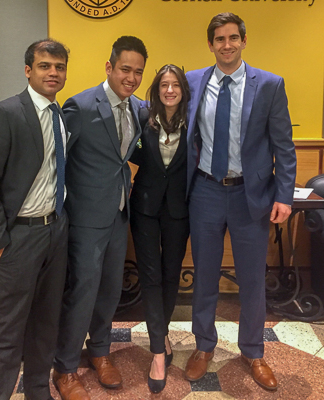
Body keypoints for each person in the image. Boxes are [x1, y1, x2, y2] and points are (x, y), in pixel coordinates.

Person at [184, 12, 296, 391]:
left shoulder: (268, 84)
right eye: (219, 39)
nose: (226, 45)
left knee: (251, 280)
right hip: (206, 191)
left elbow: (284, 144)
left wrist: (284, 195)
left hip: (252, 194)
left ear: (244, 41)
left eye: (233, 38)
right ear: (211, 43)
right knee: (204, 276)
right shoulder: (192, 81)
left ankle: (253, 350)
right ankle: (203, 346)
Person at [0, 39, 70, 400]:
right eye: (45, 66)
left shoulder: (62, 116)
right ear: (28, 70)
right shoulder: (6, 112)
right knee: (9, 332)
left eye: (59, 66)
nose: (53, 73)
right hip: (17, 239)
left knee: (46, 326)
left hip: (55, 232)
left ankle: (38, 392)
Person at [52, 36, 148, 400]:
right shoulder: (79, 105)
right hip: (85, 218)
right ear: (109, 67)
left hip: (119, 214)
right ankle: (64, 367)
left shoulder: (139, 108)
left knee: (110, 290)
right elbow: (58, 163)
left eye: (138, 72)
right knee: (82, 292)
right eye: (125, 69)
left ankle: (100, 351)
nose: (132, 77)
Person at [129, 64, 190, 394]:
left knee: (171, 274)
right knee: (150, 276)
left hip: (181, 209)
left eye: (175, 85)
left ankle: (161, 331)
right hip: (145, 208)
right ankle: (157, 352)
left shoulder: (194, 123)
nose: (169, 90)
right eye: (164, 85)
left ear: (183, 89)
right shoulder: (142, 119)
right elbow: (131, 153)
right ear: (156, 90)